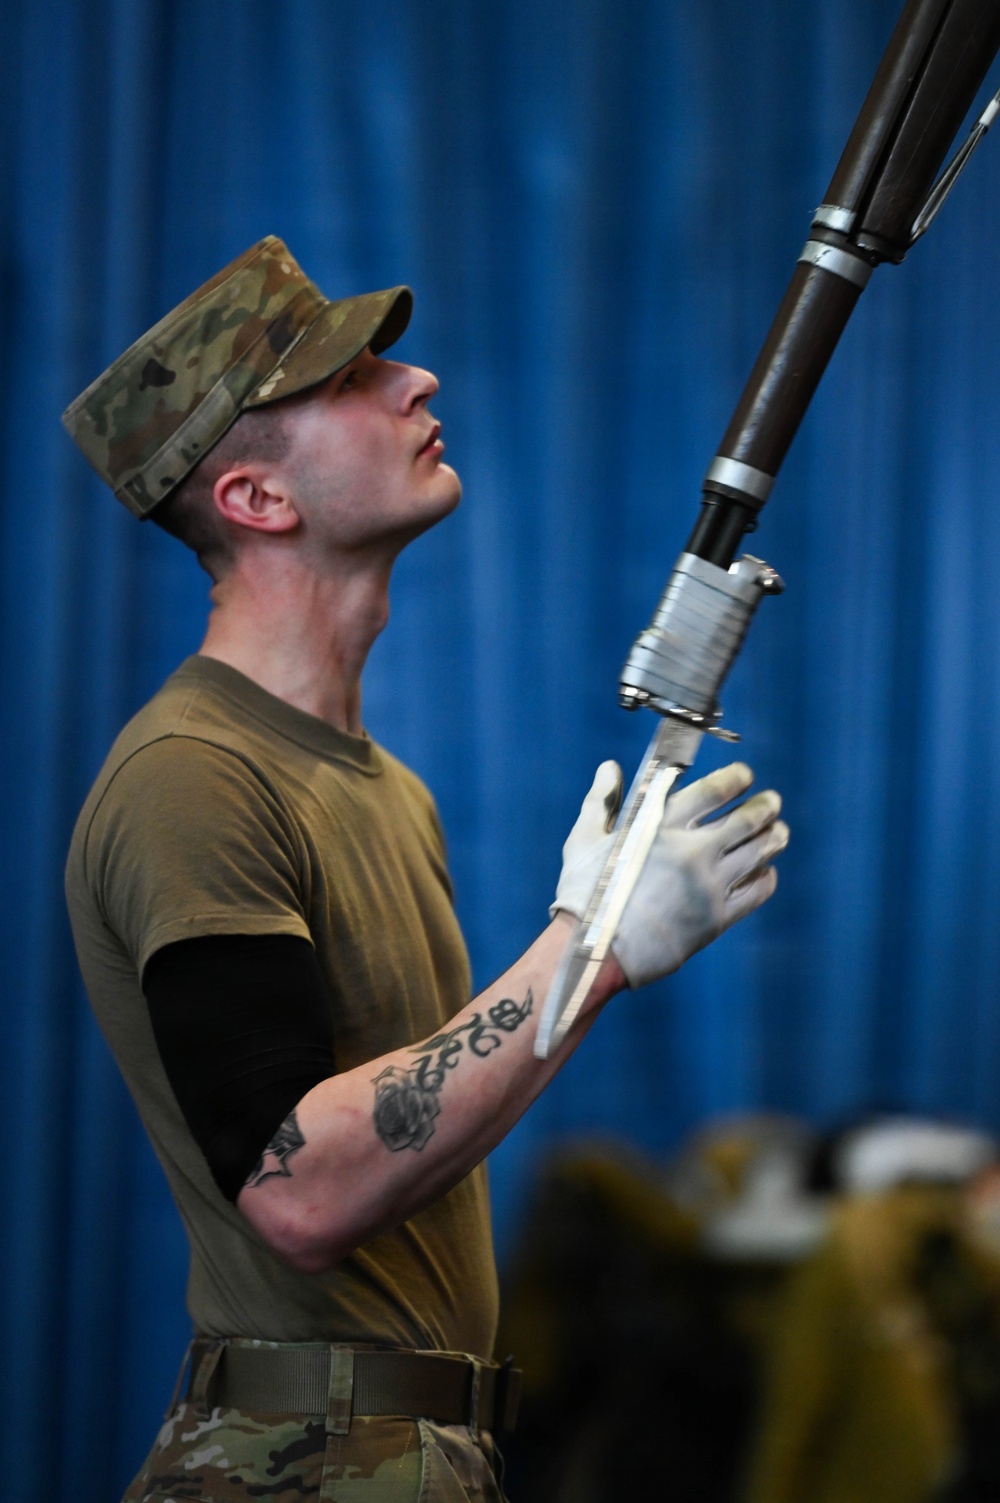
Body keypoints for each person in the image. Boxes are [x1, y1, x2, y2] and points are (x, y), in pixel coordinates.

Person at [62, 235, 790, 1503]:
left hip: (408, 1453)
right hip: (299, 1465)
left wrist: (588, 949)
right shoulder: (192, 777)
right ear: (255, 500)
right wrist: (595, 942)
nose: (420, 381)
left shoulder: (385, 789)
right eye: (351, 378)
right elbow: (297, 1190)